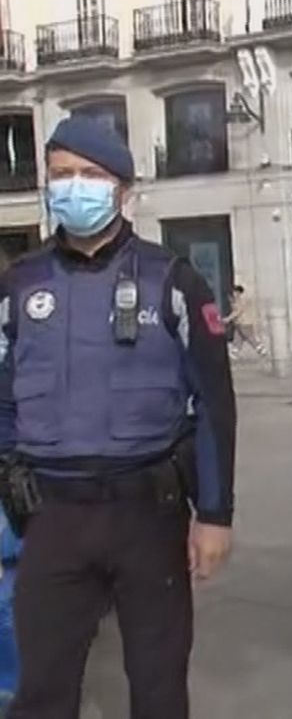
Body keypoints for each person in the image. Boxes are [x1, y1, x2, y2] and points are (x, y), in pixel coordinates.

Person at [0, 115, 235, 717]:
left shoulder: (174, 281)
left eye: (90, 175)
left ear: (123, 190)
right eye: (60, 175)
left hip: (147, 516)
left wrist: (214, 515)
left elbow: (213, 403)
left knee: (158, 687)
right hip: (52, 517)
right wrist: (7, 475)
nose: (73, 187)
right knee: (44, 691)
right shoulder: (20, 287)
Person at [223, 284, 268, 359]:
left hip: (244, 323)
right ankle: (234, 352)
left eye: (233, 293)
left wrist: (228, 319)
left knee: (249, 337)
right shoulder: (237, 300)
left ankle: (261, 349)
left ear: (237, 292)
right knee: (238, 338)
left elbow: (238, 311)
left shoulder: (240, 300)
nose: (230, 296)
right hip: (239, 323)